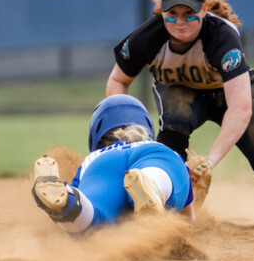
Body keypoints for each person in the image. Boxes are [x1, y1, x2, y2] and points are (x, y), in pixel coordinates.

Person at [105, 0, 254, 204]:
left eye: (189, 13)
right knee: (173, 129)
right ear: (163, 12)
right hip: (180, 90)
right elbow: (118, 80)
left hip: (228, 92)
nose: (180, 22)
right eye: (173, 14)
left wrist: (208, 162)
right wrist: (129, 128)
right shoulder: (147, 37)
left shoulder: (221, 36)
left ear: (203, 10)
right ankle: (165, 192)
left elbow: (240, 108)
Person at [32, 94, 195, 236]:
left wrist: (62, 214)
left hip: (103, 163)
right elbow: (188, 222)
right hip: (154, 154)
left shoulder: (92, 157)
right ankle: (153, 186)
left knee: (92, 221)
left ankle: (66, 203)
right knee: (162, 177)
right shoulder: (162, 148)